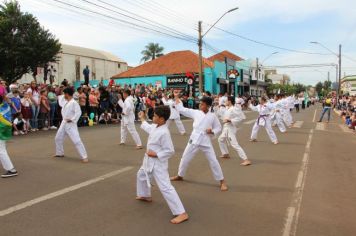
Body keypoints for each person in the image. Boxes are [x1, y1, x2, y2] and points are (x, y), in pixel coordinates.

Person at [136, 106, 189, 224]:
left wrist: (156, 154)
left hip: (158, 163)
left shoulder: (164, 132)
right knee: (141, 175)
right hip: (148, 160)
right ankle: (145, 195)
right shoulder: (156, 126)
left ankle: (181, 213)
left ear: (161, 119)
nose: (152, 117)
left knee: (165, 187)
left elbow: (170, 150)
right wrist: (142, 119)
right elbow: (148, 127)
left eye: (154, 116)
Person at [170, 91, 228, 191]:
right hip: (194, 139)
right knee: (185, 158)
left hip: (205, 140)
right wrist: (176, 97)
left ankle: (222, 181)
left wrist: (212, 131)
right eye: (200, 103)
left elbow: (218, 127)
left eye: (202, 104)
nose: (200, 105)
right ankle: (180, 175)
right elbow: (182, 109)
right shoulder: (196, 113)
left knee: (213, 161)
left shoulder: (212, 116)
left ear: (208, 106)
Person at [54, 87, 89, 163]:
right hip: (64, 123)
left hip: (71, 124)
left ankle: (84, 156)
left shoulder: (74, 103)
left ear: (67, 94)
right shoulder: (66, 102)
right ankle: (59, 153)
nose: (63, 95)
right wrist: (62, 95)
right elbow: (60, 101)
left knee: (76, 141)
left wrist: (72, 119)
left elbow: (78, 112)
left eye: (64, 94)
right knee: (58, 138)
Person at [217, 96, 251, 166]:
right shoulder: (227, 109)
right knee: (220, 139)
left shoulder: (234, 109)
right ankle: (225, 153)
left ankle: (246, 159)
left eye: (226, 101)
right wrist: (217, 107)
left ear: (229, 101)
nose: (225, 102)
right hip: (225, 128)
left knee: (234, 144)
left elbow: (241, 118)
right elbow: (220, 115)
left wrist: (230, 120)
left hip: (230, 128)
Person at [0, 95, 18, 178]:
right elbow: (7, 99)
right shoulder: (5, 105)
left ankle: (11, 170)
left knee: (1, 150)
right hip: (6, 129)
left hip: (2, 130)